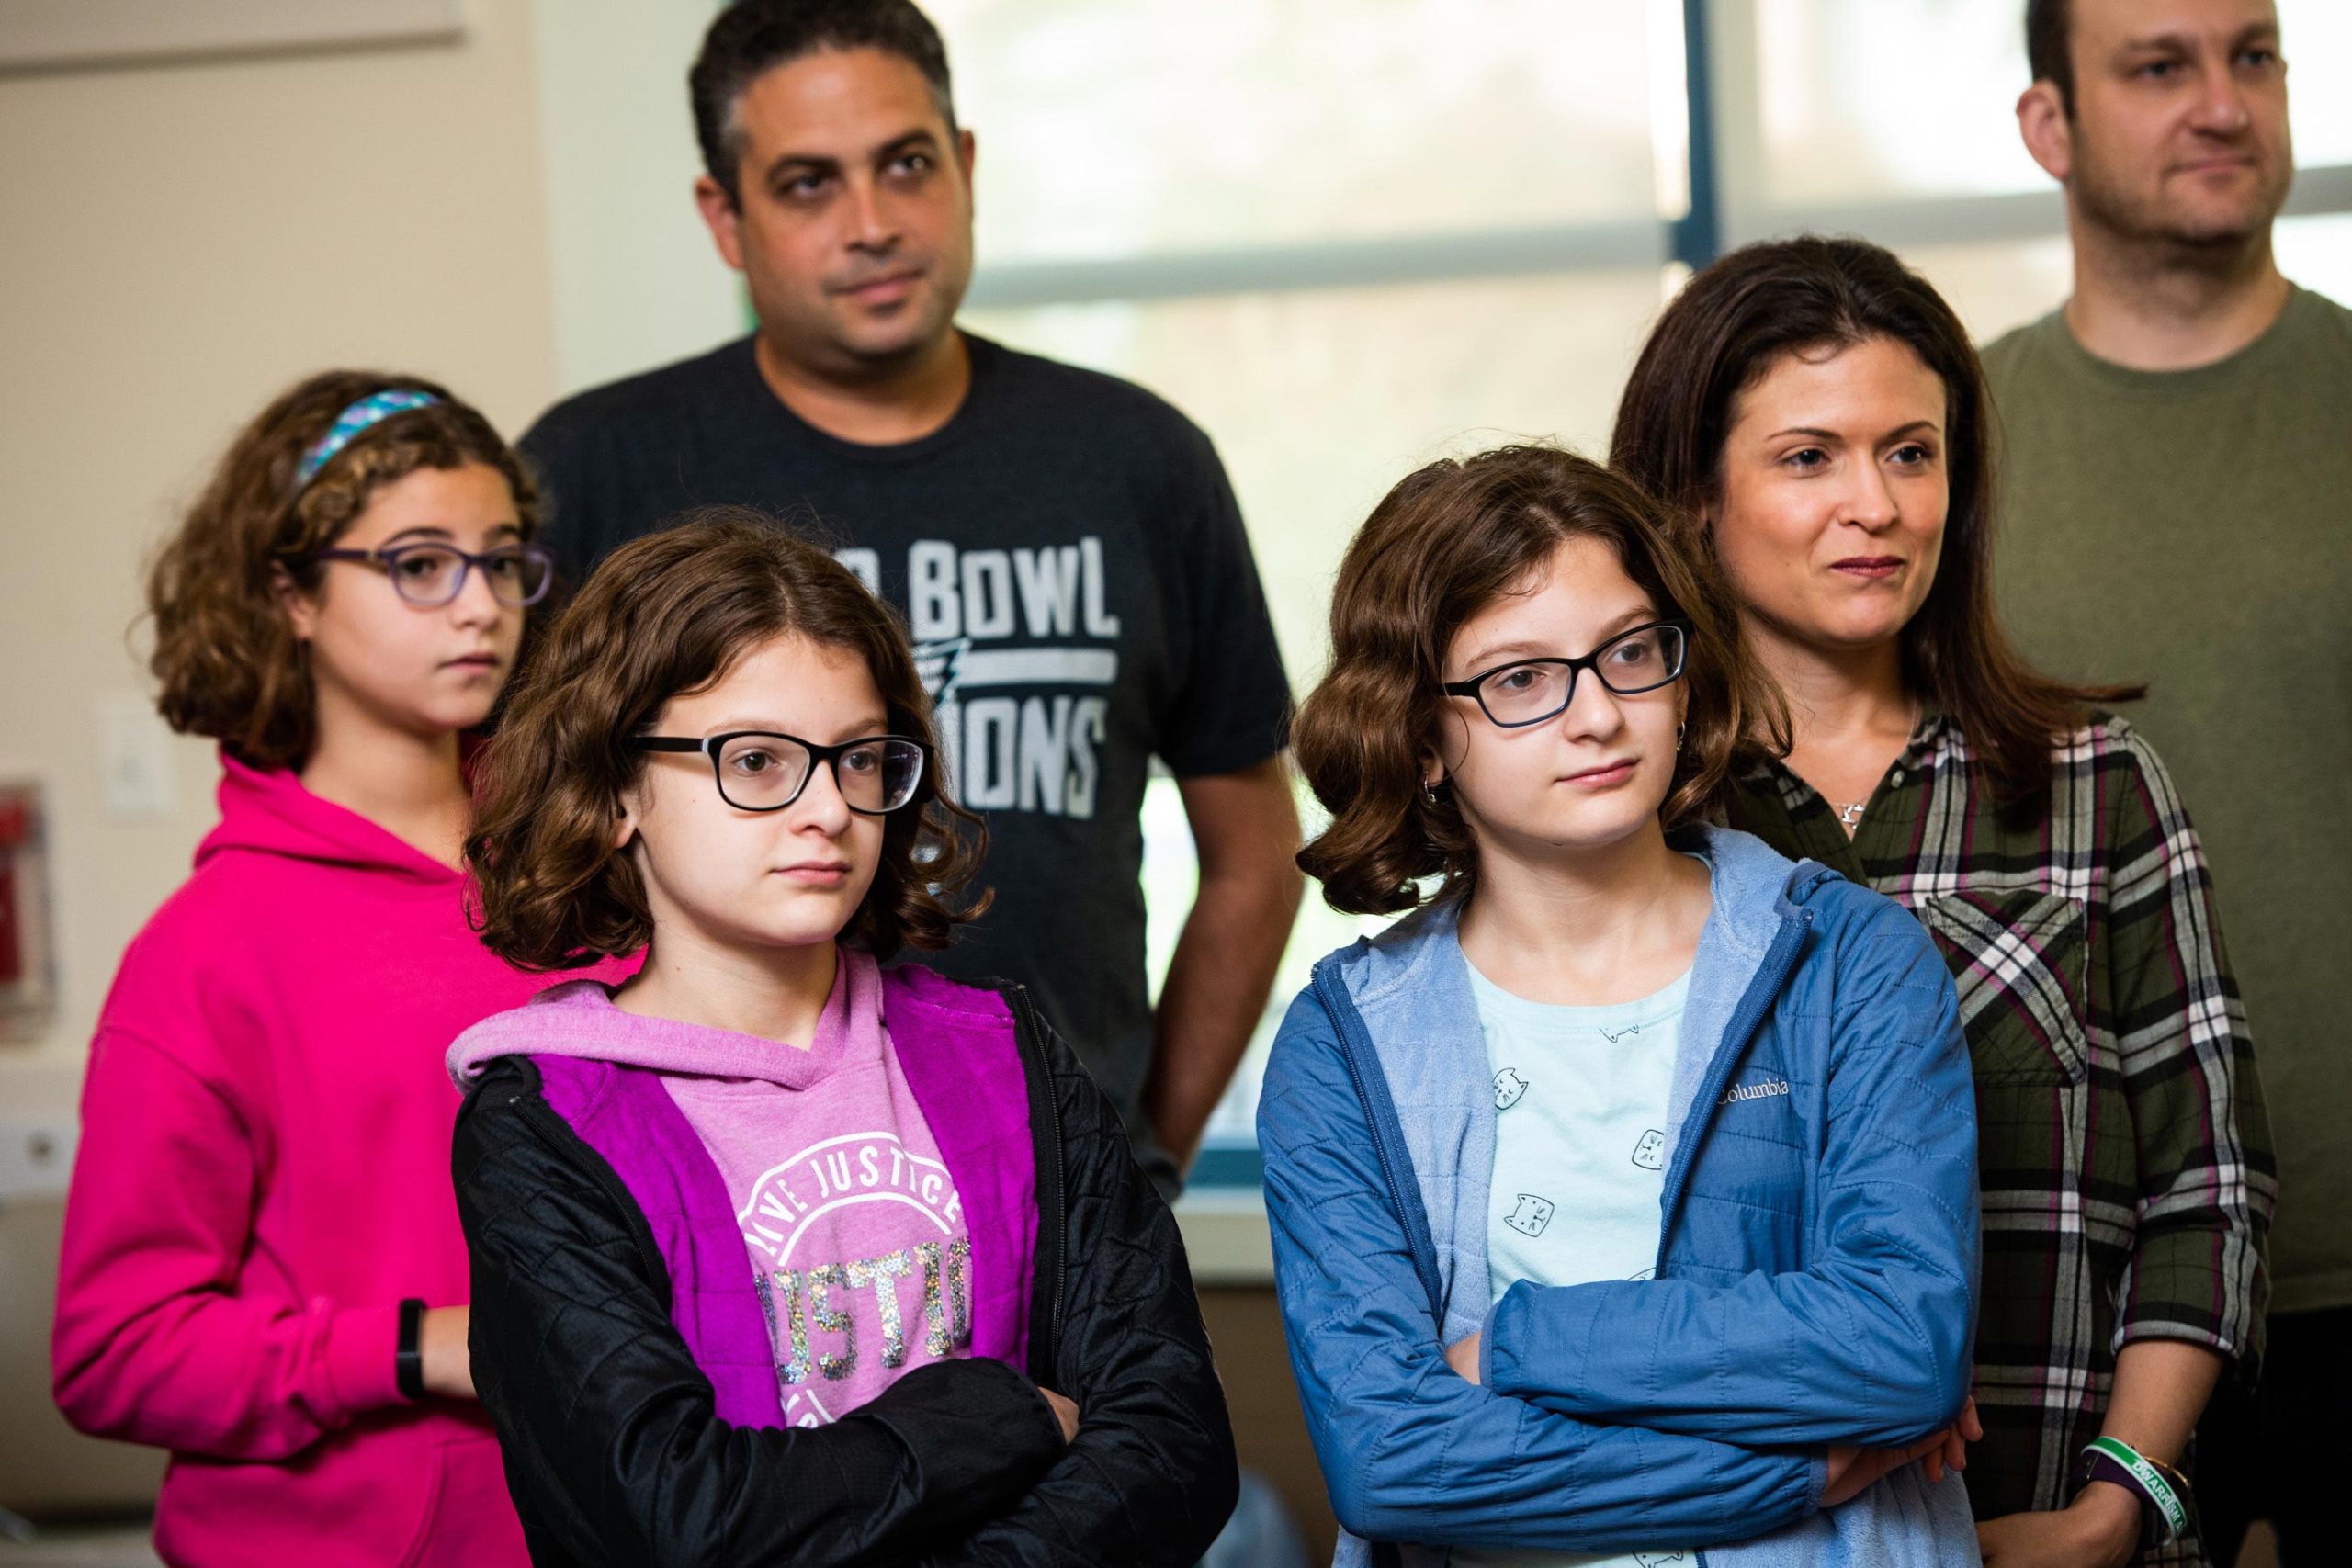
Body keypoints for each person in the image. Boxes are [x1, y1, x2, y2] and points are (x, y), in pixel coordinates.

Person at [514, 0, 1301, 1193]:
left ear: (967, 165)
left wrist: (1144, 1152)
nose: (873, 224)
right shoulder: (598, 470)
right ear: (724, 217)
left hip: (1067, 1193)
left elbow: (1252, 848)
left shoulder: (1140, 460)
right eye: (808, 185)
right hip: (710, 1205)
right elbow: (508, 848)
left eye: (907, 164)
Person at [1613, 235, 2273, 1568]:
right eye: (1810, 457)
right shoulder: (1627, 810)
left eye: (1911, 452)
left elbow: (2211, 1192)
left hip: (2062, 1522)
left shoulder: (2094, 783)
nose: (1879, 504)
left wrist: (2114, 1507)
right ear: (1692, 499)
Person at [447, 513, 1237, 1567]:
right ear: (618, 788)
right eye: (759, 760)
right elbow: (675, 1521)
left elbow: (1175, 1442)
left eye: (858, 759)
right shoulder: (540, 1127)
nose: (826, 809)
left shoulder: (1007, 1049)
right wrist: (992, 1415)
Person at [1259, 444, 1984, 1568]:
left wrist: (1515, 1344)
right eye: (1520, 679)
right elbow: (1389, 1459)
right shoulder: (1343, 1041)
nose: (1596, 715)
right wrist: (1794, 1470)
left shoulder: (1851, 958)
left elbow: (1903, 1347)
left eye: (1628, 653)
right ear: (1418, 737)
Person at [50, 371, 594, 1565]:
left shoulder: (585, 870)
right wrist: (417, 1346)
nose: (479, 604)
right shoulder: (207, 949)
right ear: (290, 592)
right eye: (417, 562)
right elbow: (112, 1349)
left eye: (502, 559)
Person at [1984, 4, 2346, 1557]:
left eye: (2251, 56)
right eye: (2159, 64)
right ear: (2047, 127)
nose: (2222, 103)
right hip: (2078, 1286)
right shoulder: (1938, 452)